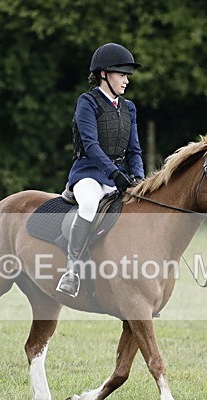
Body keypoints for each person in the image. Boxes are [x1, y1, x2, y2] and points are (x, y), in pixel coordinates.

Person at [56, 42, 145, 297]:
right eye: (122, 74)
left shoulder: (128, 107)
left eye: (128, 75)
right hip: (88, 174)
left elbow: (134, 150)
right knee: (89, 205)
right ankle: (71, 272)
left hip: (119, 176)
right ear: (104, 74)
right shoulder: (87, 102)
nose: (126, 80)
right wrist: (114, 174)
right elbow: (91, 145)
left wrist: (138, 178)